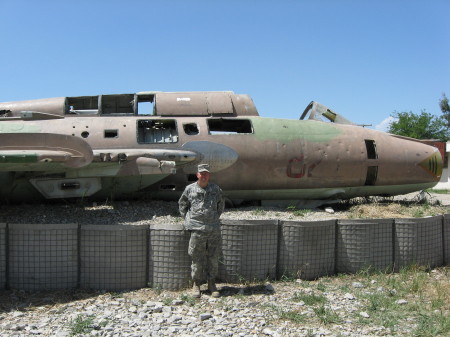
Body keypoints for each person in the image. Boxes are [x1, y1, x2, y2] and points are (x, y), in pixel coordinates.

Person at [178, 164, 225, 298]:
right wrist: (189, 220)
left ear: (209, 175)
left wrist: (213, 218)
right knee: (196, 258)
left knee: (213, 257)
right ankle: (196, 285)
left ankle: (212, 284)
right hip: (197, 229)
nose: (204, 176)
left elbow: (220, 205)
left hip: (213, 229)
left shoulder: (216, 189)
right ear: (197, 174)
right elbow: (183, 205)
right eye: (201, 173)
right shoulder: (190, 189)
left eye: (206, 174)